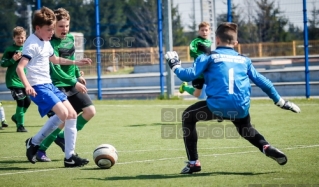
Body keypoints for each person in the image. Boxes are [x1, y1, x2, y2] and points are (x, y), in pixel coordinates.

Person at [165, 22, 301, 174]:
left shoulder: (209, 56)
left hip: (217, 106)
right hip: (240, 107)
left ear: (216, 40)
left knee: (187, 116)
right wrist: (281, 102)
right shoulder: (244, 60)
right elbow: (264, 82)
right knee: (245, 128)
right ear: (236, 43)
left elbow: (187, 75)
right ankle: (265, 146)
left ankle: (193, 162)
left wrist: (174, 64)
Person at [16, 6, 92, 167]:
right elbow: (20, 68)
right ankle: (35, 142)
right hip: (38, 86)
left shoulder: (46, 42)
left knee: (71, 114)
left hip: (49, 85)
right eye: (49, 29)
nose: (52, 32)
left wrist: (76, 62)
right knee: (64, 114)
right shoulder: (32, 44)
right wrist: (27, 85)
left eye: (52, 29)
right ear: (38, 28)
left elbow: (56, 60)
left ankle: (70, 157)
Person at [35, 8, 96, 162]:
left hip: (71, 82)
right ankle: (40, 150)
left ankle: (61, 138)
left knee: (90, 111)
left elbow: (72, 58)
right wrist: (73, 82)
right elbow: (55, 71)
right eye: (60, 26)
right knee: (63, 120)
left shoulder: (69, 38)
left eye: (66, 26)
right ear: (53, 26)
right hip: (57, 85)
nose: (64, 29)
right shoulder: (49, 44)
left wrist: (77, 75)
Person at [1, 26, 30, 132]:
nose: (20, 40)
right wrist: (13, 59)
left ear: (25, 37)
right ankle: (20, 125)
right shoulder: (10, 50)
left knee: (27, 102)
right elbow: (3, 63)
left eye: (22, 37)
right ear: (14, 38)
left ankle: (16, 117)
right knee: (21, 102)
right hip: (13, 80)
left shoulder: (28, 48)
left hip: (24, 80)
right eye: (18, 37)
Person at [179, 21, 211, 98]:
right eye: (202, 30)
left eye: (206, 30)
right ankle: (184, 87)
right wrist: (202, 56)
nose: (204, 32)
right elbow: (192, 52)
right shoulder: (196, 42)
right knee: (197, 94)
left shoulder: (210, 42)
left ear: (209, 31)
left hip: (208, 70)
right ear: (199, 31)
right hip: (199, 70)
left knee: (214, 86)